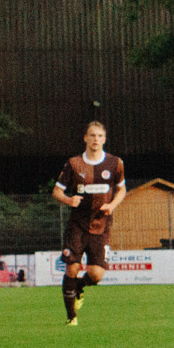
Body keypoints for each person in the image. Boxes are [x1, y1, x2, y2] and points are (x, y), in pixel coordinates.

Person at [50, 121, 126, 325]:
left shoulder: (115, 163)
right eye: (92, 135)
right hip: (78, 225)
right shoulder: (74, 163)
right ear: (85, 138)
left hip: (101, 225)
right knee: (72, 268)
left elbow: (122, 189)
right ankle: (71, 318)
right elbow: (56, 191)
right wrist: (68, 199)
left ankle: (79, 287)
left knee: (96, 274)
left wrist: (113, 205)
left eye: (100, 136)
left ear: (105, 139)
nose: (96, 139)